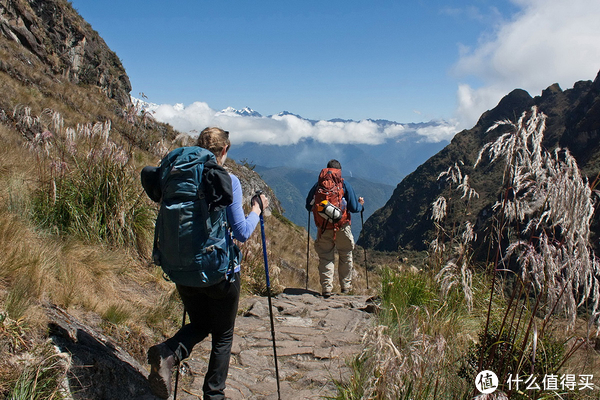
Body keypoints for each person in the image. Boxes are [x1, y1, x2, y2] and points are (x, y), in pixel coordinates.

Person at [147, 127, 268, 400]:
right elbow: (241, 232)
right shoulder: (227, 179)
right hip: (218, 272)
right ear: (224, 150)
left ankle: (168, 354)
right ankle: (214, 396)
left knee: (201, 323)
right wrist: (257, 211)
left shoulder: (176, 176)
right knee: (223, 335)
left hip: (180, 268)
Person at [305, 159, 364, 298]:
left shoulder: (318, 185)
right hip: (342, 226)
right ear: (339, 171)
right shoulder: (343, 184)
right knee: (345, 256)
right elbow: (355, 208)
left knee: (326, 257)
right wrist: (362, 205)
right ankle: (346, 287)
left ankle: (326, 289)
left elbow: (308, 206)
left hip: (324, 228)